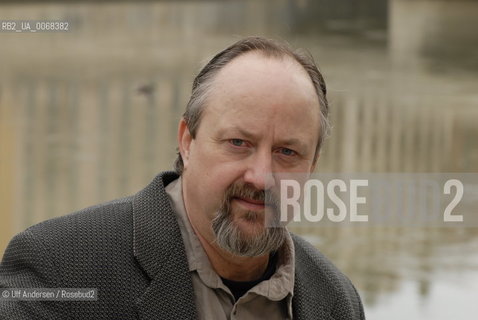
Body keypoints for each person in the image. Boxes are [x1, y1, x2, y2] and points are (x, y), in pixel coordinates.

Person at [0, 37, 365, 319]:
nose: (261, 177)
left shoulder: (336, 300)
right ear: (187, 142)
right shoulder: (60, 267)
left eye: (287, 152)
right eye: (238, 143)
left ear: (312, 167)